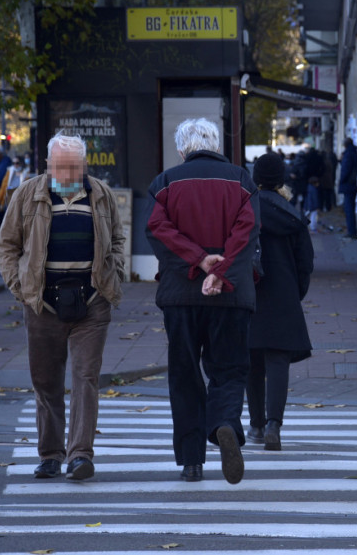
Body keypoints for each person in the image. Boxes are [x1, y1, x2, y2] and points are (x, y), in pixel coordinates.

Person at [0, 132, 126, 481]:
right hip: (43, 303)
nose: (65, 174)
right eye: (58, 166)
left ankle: (80, 455)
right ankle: (51, 455)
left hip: (92, 301)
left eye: (71, 166)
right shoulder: (28, 194)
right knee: (46, 381)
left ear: (83, 165)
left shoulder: (101, 194)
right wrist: (20, 287)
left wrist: (115, 273)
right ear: (48, 164)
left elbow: (116, 238)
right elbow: (6, 244)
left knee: (86, 378)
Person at [146, 118, 260, 484]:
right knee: (229, 369)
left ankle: (191, 461)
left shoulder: (164, 183)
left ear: (182, 149)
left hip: (181, 293)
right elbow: (247, 232)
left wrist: (198, 259)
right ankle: (225, 423)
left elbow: (158, 231)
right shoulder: (242, 180)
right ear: (216, 143)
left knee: (184, 374)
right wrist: (221, 270)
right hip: (231, 293)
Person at [246, 153, 314, 451]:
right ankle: (275, 424)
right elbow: (306, 262)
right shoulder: (293, 215)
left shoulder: (246, 210)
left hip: (251, 293)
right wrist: (296, 291)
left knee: (252, 361)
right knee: (277, 361)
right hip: (284, 294)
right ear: (282, 180)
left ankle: (256, 424)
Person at [338, 137, 357, 238]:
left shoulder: (347, 154)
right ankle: (352, 230)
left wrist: (341, 181)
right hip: (353, 184)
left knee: (349, 208)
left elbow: (345, 170)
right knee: (350, 208)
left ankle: (351, 232)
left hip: (348, 185)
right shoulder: (354, 152)